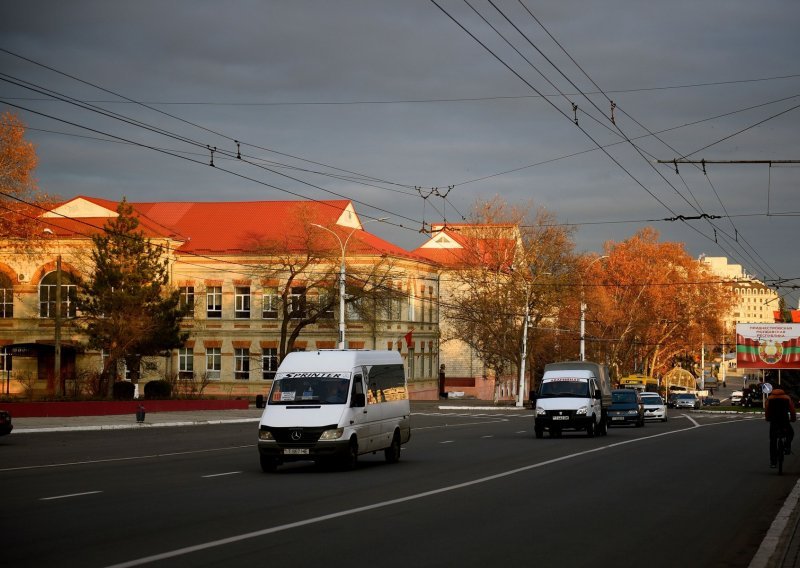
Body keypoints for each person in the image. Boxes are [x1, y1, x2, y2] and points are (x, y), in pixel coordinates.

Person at [765, 387, 796, 468]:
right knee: (791, 433)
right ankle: (787, 447)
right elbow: (792, 410)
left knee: (773, 441)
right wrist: (793, 419)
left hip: (774, 421)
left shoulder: (770, 398)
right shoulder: (787, 398)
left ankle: (773, 462)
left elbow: (767, 409)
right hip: (784, 421)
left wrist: (768, 418)